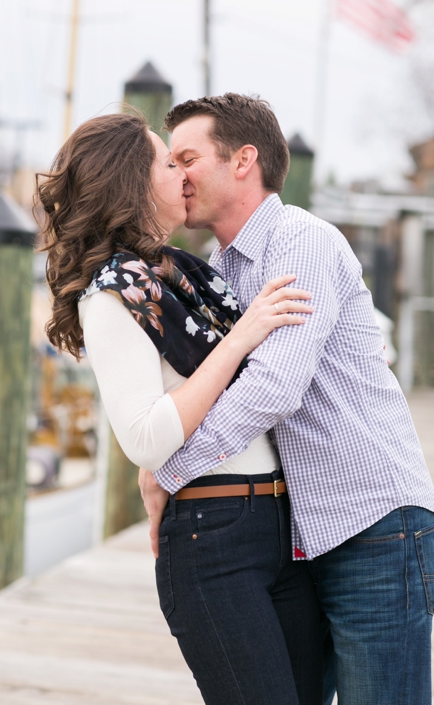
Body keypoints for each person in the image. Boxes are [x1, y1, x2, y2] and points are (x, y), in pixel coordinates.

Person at [138, 93, 434, 704]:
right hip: (300, 537)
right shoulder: (217, 268)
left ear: (242, 160)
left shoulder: (303, 242)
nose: (178, 174)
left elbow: (273, 388)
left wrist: (172, 470)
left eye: (188, 157)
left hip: (374, 524)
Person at [38, 111, 322, 704]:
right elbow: (144, 437)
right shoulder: (114, 295)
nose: (183, 175)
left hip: (280, 524)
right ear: (133, 183)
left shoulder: (188, 275)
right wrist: (242, 336)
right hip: (210, 536)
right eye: (169, 163)